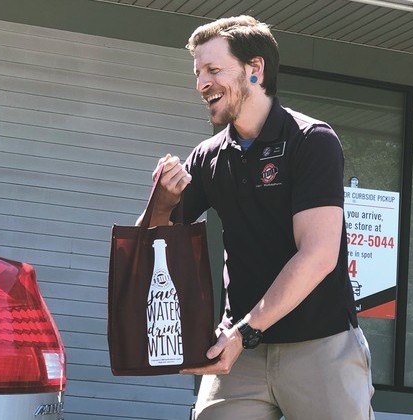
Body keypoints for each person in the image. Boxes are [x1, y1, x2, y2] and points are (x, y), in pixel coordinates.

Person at [140, 15, 374, 420]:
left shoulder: (311, 141)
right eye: (198, 73)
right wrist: (160, 202)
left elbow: (318, 254)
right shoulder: (208, 157)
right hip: (241, 355)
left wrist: (244, 331)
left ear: (255, 70)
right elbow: (151, 249)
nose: (201, 83)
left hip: (320, 344)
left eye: (214, 70)